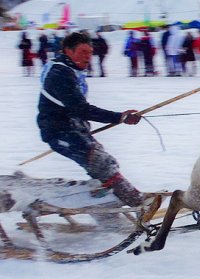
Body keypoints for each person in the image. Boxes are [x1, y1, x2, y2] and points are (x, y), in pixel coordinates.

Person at [37, 31, 145, 208]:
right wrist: (119, 117)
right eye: (83, 52)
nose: (88, 57)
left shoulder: (69, 69)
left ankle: (104, 202)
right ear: (68, 51)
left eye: (89, 52)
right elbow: (81, 108)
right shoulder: (60, 74)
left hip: (72, 127)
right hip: (57, 130)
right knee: (100, 161)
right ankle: (136, 201)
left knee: (101, 160)